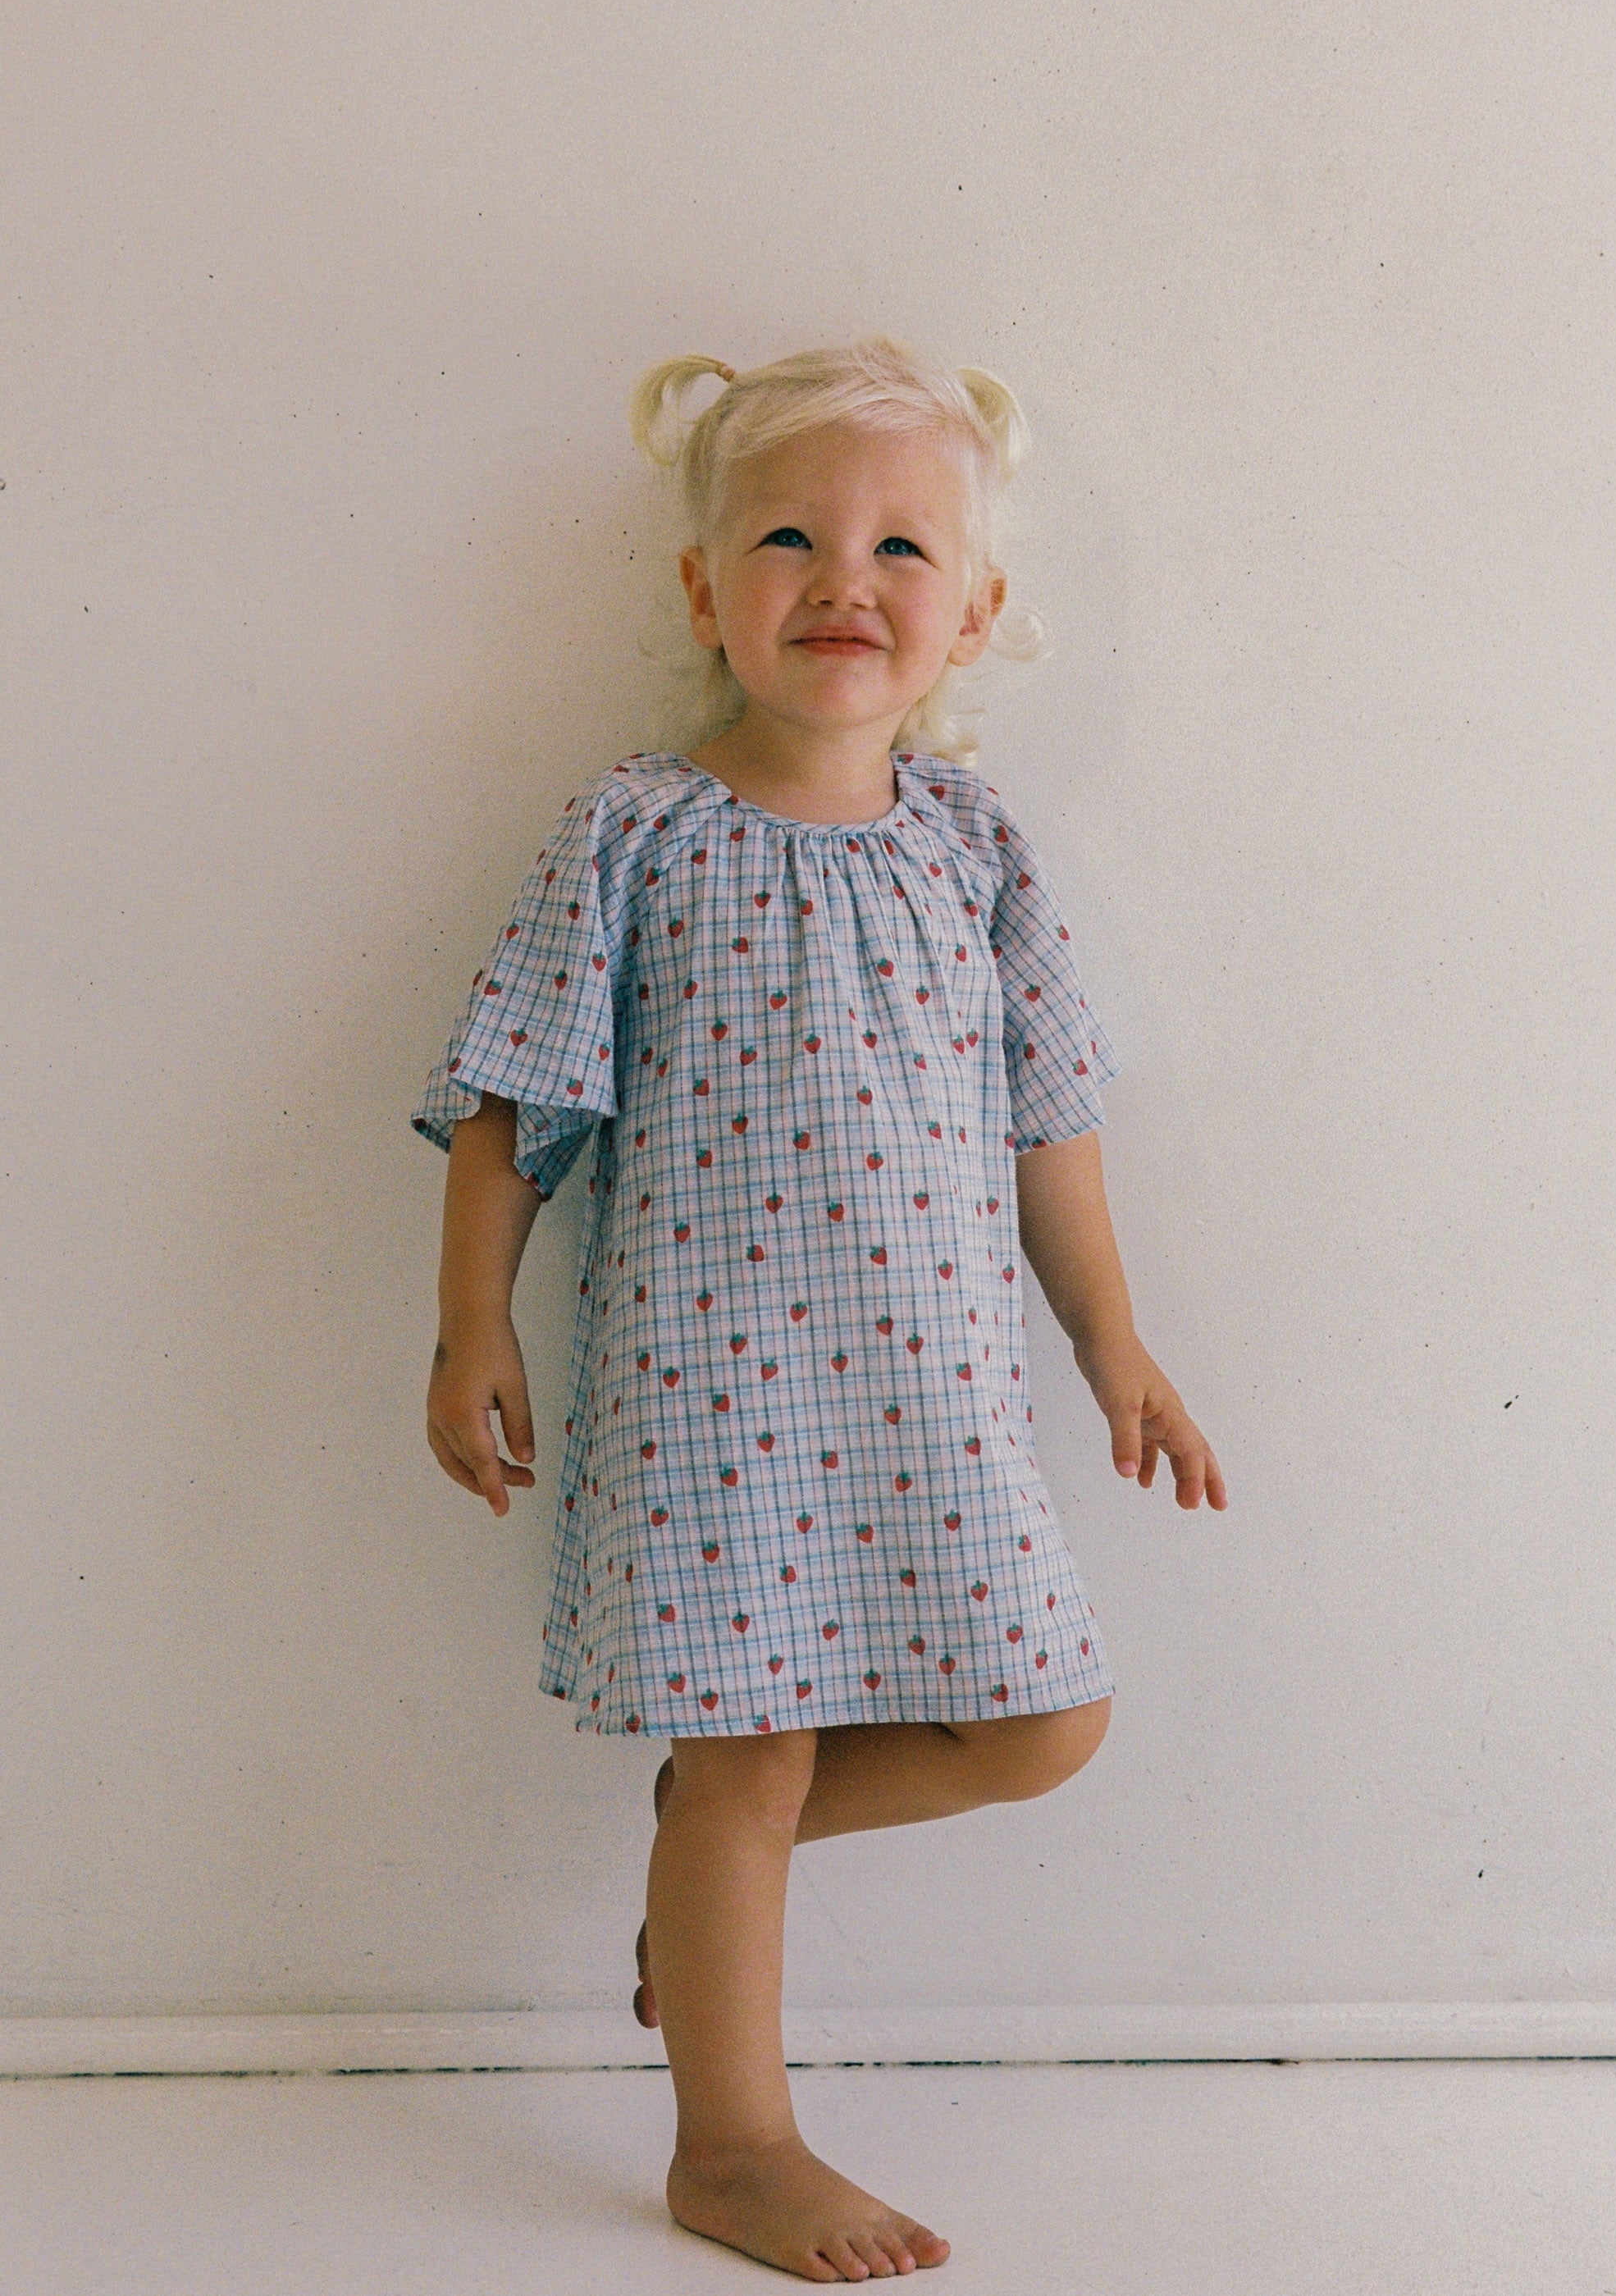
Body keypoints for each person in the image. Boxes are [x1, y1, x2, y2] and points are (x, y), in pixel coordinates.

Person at [413, 336, 1227, 2283]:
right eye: (786, 535)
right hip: (705, 1403)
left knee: (1046, 1720)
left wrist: (1118, 1349)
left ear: (977, 610)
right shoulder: (640, 832)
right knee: (748, 1757)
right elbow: (516, 1102)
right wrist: (471, 1326)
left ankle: (707, 1913)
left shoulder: (974, 848)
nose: (841, 578)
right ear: (706, 589)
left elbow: (1051, 1126)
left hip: (922, 1401)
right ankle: (736, 2142)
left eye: (898, 547)